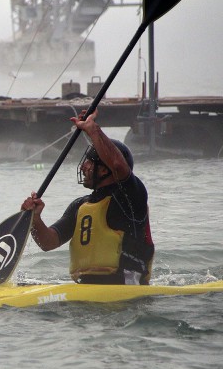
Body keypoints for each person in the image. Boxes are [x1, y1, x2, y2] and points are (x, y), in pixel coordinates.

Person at [21, 109, 154, 285]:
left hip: (126, 287)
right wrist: (35, 218)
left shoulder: (130, 197)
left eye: (90, 162)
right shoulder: (80, 205)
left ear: (106, 169)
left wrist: (93, 130)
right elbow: (48, 243)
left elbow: (117, 165)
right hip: (86, 287)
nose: (83, 167)